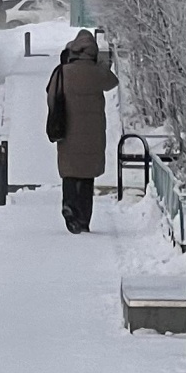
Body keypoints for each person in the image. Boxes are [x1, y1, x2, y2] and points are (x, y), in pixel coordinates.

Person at [47, 29, 117, 234]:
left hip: (68, 129)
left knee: (70, 170)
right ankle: (84, 219)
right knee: (87, 177)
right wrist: (102, 64)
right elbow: (113, 82)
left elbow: (51, 95)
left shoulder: (64, 71)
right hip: (93, 134)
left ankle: (69, 203)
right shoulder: (97, 72)